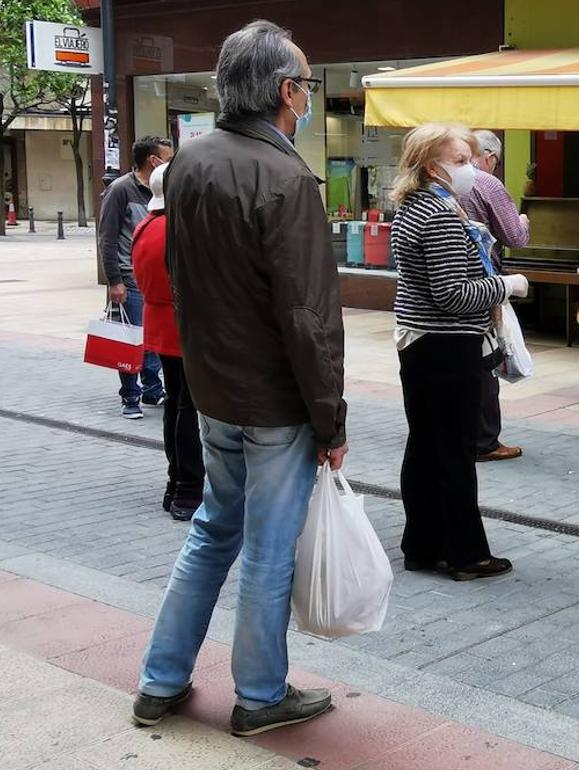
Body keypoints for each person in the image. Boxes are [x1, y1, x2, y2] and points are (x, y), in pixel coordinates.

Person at [133, 20, 348, 737]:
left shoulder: (188, 165)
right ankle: (260, 694)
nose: (309, 97)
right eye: (307, 86)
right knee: (266, 550)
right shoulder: (286, 176)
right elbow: (308, 315)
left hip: (213, 387)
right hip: (273, 399)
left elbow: (185, 281)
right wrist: (331, 419)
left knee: (212, 531)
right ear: (287, 92)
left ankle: (161, 679)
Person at [390, 122, 529, 581]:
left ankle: (423, 545)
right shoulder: (439, 214)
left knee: (426, 447)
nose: (470, 169)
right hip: (448, 346)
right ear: (433, 166)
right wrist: (504, 286)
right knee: (453, 452)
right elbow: (453, 294)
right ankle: (466, 553)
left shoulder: (412, 207)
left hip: (420, 344)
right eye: (461, 161)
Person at [129, 163, 203, 522]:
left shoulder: (145, 227)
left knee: (176, 404)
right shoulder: (177, 229)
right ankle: (188, 488)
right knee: (188, 408)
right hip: (186, 326)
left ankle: (176, 483)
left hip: (161, 326)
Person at [460, 129, 529, 463]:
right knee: (486, 359)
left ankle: (458, 432)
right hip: (482, 285)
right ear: (488, 156)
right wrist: (523, 222)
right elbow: (514, 236)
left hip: (443, 292)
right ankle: (485, 440)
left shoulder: (433, 187)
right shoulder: (488, 184)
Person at [99, 134, 172, 419]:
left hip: (154, 278)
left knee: (153, 338)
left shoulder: (161, 192)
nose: (171, 164)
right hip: (128, 278)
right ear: (153, 161)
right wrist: (114, 280)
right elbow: (107, 239)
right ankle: (130, 395)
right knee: (130, 338)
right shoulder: (120, 190)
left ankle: (152, 389)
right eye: (168, 159)